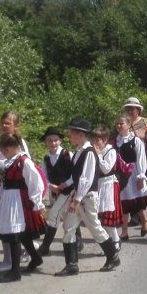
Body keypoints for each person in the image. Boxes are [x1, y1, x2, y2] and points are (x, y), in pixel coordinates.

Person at [57, 117, 117, 275]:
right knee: (69, 226)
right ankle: (71, 264)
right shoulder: (79, 151)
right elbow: (77, 175)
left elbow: (86, 178)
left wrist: (76, 200)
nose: (69, 135)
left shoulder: (89, 152)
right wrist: (67, 184)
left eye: (72, 133)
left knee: (94, 226)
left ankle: (112, 256)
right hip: (79, 195)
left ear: (81, 134)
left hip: (87, 196)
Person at [0, 132, 45, 282]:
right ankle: (35, 257)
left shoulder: (23, 161)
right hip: (9, 199)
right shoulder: (9, 161)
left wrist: (37, 202)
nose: (2, 153)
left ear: (11, 148)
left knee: (15, 234)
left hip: (18, 201)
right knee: (22, 233)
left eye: (4, 149)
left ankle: (15, 271)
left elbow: (36, 182)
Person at [0, 111, 26, 274]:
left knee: (10, 225)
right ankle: (12, 256)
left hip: (13, 190)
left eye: (8, 123)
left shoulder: (19, 142)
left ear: (15, 125)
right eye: (3, 122)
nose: (4, 125)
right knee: (0, 224)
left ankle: (10, 259)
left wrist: (0, 163)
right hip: (0, 188)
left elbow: (23, 162)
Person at [31, 127, 74, 272]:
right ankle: (77, 240)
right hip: (55, 192)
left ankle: (45, 246)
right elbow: (43, 177)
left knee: (54, 215)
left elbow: (76, 174)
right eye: (49, 140)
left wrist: (65, 185)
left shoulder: (68, 154)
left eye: (55, 140)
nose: (53, 143)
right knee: (68, 216)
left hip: (69, 191)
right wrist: (51, 186)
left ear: (60, 140)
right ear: (45, 143)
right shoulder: (46, 158)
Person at [92, 124, 124, 268]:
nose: (96, 142)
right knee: (101, 215)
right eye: (95, 139)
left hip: (109, 184)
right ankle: (111, 242)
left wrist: (98, 154)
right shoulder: (95, 151)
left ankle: (115, 240)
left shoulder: (110, 151)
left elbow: (106, 169)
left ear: (105, 140)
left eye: (99, 139)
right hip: (99, 185)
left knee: (108, 214)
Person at [115, 114, 147, 239]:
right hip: (122, 176)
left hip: (134, 173)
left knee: (137, 202)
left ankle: (145, 220)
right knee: (124, 203)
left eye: (122, 123)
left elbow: (141, 159)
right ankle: (124, 231)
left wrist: (141, 176)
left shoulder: (135, 141)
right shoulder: (116, 141)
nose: (119, 126)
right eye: (117, 124)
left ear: (129, 125)